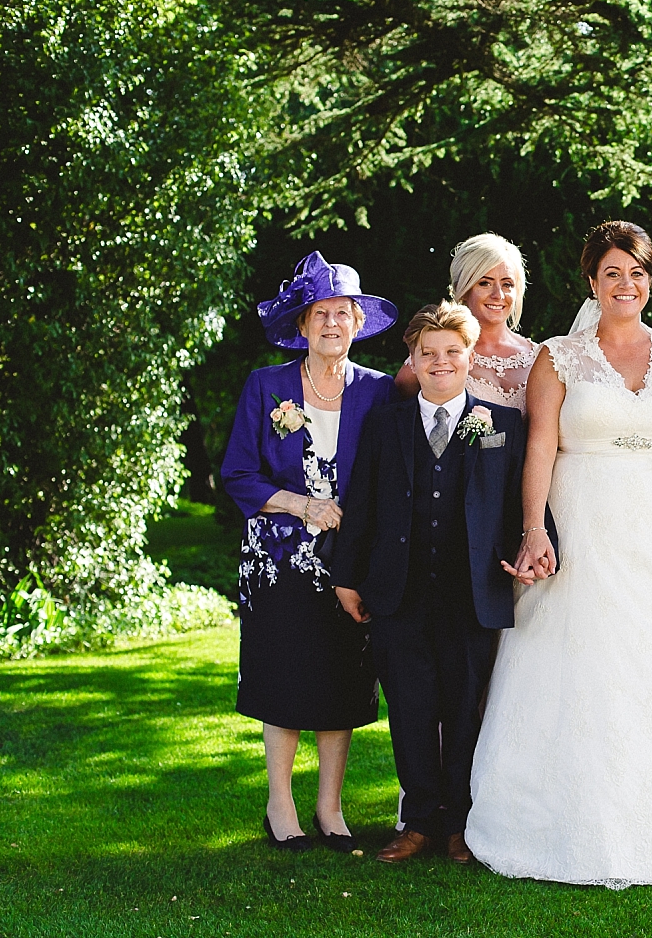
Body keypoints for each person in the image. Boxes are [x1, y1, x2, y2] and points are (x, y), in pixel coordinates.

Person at [465, 220, 652, 887]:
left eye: (635, 272)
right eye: (611, 273)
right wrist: (534, 529)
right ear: (592, 283)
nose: (625, 284)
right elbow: (540, 444)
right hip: (584, 524)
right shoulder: (558, 356)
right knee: (586, 662)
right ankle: (568, 816)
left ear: (650, 280)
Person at [331, 300, 526, 866]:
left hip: (471, 591)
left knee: (466, 708)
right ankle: (418, 822)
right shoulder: (386, 424)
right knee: (412, 708)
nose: (440, 362)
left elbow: (521, 501)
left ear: (470, 357)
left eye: (451, 352)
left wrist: (540, 545)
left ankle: (462, 825)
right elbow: (361, 501)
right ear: (412, 359)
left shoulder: (502, 425)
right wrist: (347, 577)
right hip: (398, 591)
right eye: (427, 353)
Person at [220, 252, 398, 853]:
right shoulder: (266, 386)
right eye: (319, 314)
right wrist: (302, 507)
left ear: (356, 324)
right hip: (276, 558)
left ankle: (330, 807)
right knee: (284, 673)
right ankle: (280, 804)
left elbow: (386, 474)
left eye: (341, 315)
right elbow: (238, 474)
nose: (330, 325)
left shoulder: (377, 391)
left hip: (349, 559)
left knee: (344, 678)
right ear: (302, 325)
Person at [395, 233, 537, 413]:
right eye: (485, 283)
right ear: (463, 289)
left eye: (507, 284)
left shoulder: (538, 357)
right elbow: (399, 423)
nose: (498, 295)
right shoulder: (430, 359)